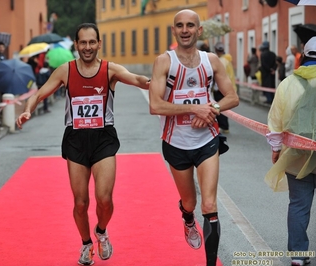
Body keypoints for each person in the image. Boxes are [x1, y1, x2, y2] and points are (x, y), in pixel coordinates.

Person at [16, 23, 150, 266]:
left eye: (92, 42)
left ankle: (101, 230)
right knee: (80, 203)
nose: (87, 47)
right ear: (76, 45)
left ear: (99, 44)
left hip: (103, 138)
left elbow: (137, 79)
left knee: (105, 200)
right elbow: (38, 94)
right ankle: (87, 243)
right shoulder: (65, 71)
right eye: (83, 43)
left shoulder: (110, 69)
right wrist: (27, 111)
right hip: (76, 139)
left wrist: (153, 82)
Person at [148, 9, 239, 266]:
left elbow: (232, 97)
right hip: (176, 142)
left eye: (190, 25)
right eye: (180, 25)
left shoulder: (212, 61)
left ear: (199, 31)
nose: (185, 29)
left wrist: (213, 108)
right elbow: (155, 105)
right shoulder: (164, 62)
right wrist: (194, 108)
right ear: (174, 30)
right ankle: (188, 218)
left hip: (207, 141)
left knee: (209, 204)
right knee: (190, 201)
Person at [265, 36, 316, 266]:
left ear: (303, 55)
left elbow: (275, 121)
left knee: (298, 204)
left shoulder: (287, 83)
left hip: (296, 155)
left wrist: (276, 149)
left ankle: (298, 254)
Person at [213, 42, 237, 134]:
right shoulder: (227, 60)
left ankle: (223, 126)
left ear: (216, 50)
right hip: (227, 87)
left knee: (220, 107)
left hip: (220, 88)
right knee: (225, 107)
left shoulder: (220, 61)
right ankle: (225, 126)